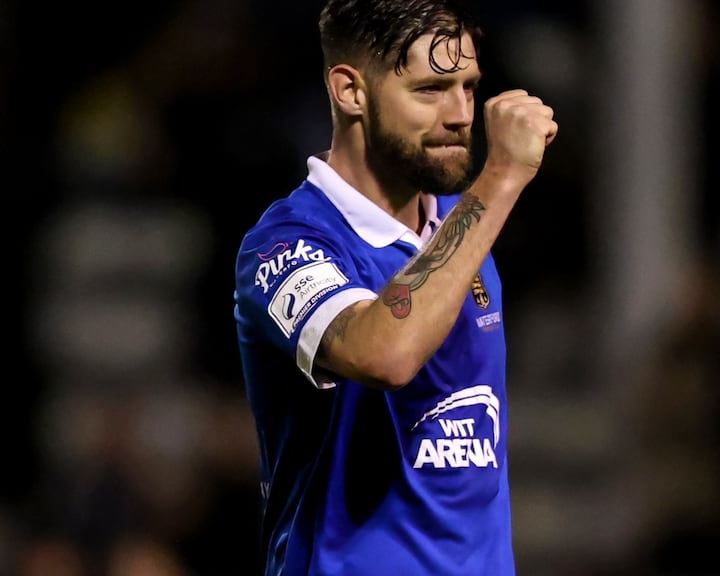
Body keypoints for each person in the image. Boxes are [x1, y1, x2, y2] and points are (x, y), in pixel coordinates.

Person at [233, 0, 557, 573]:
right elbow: (384, 354)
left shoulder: (463, 224)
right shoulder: (287, 244)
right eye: (430, 90)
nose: (461, 114)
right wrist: (501, 177)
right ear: (350, 91)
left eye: (468, 87)